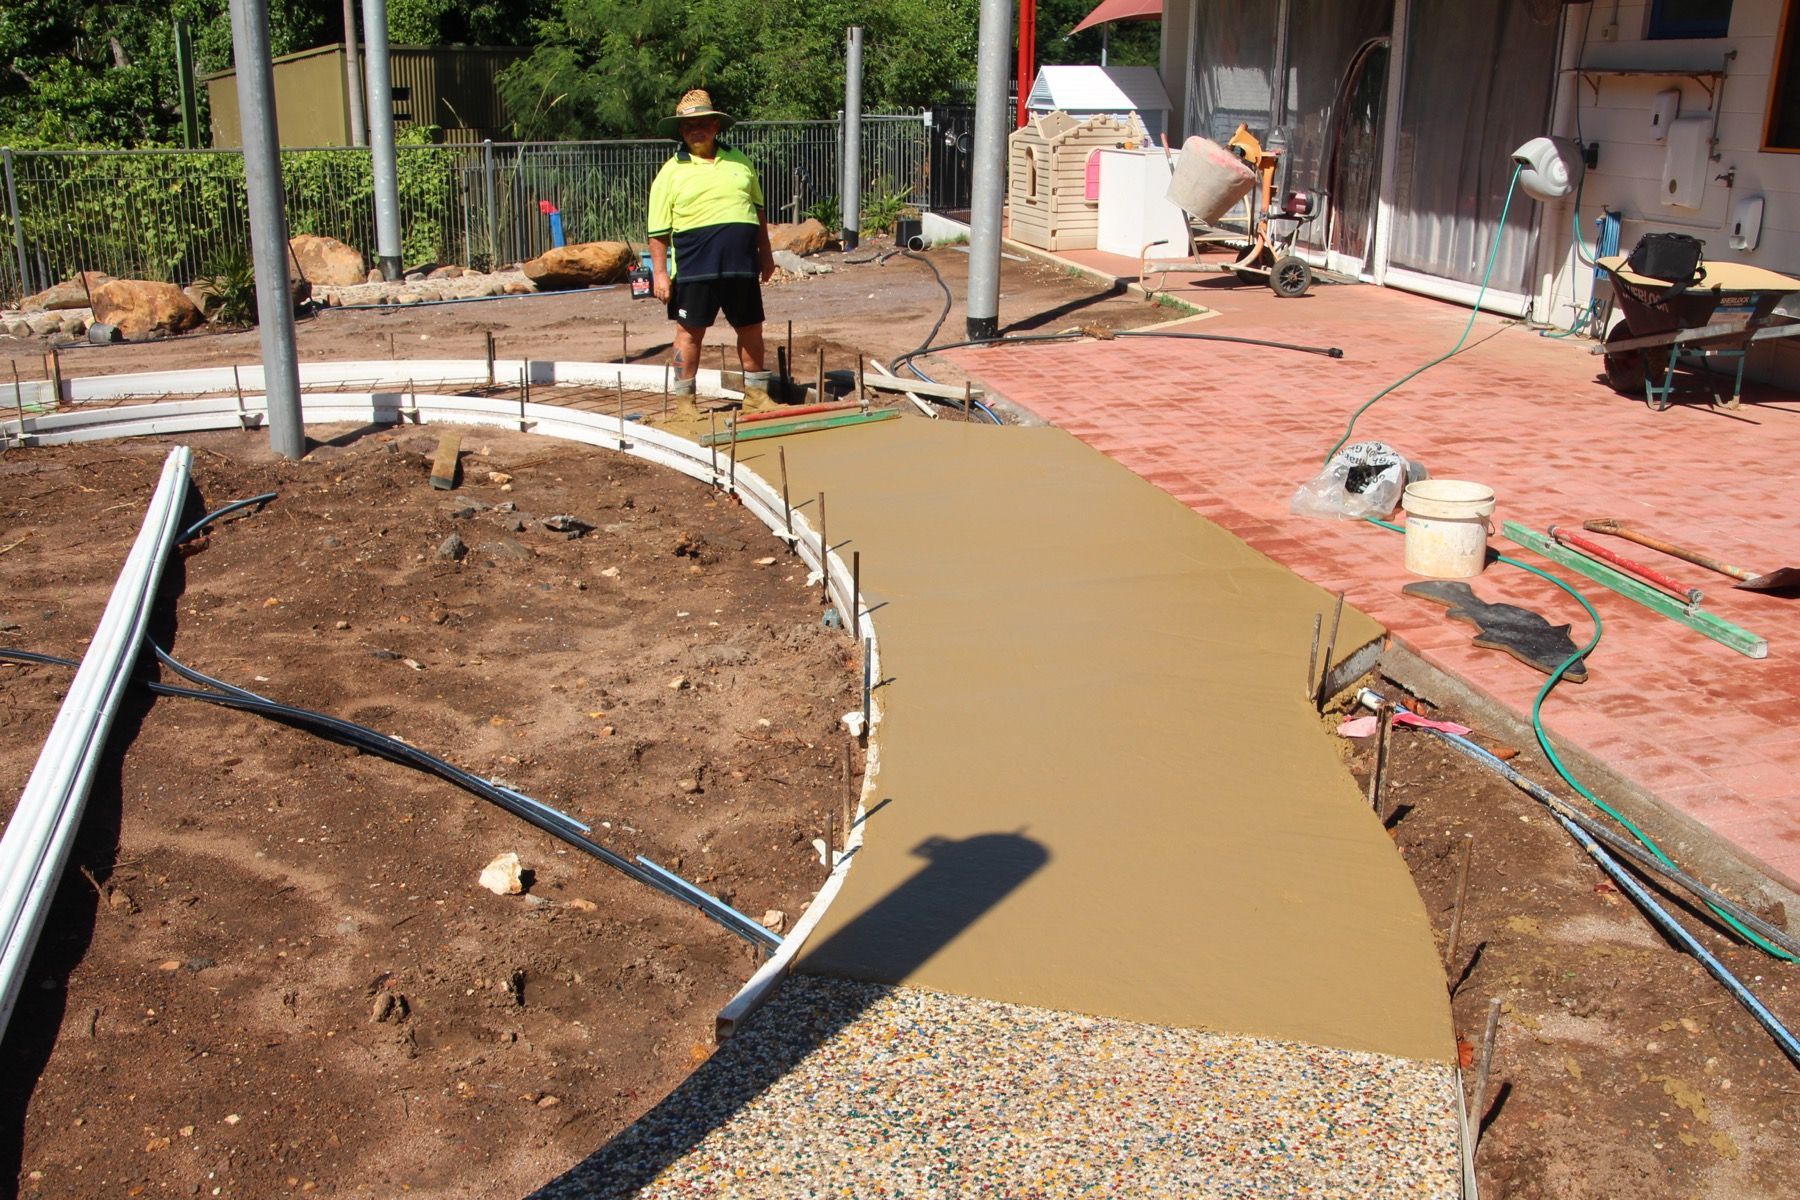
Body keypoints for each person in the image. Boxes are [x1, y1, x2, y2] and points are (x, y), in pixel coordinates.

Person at [647, 90, 777, 404]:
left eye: (703, 123)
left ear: (716, 125)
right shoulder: (670, 172)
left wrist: (766, 255)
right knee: (689, 333)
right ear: (681, 131)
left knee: (750, 328)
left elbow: (758, 212)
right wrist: (660, 274)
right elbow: (658, 232)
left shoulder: (740, 161)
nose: (696, 130)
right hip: (695, 268)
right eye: (689, 125)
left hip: (740, 264)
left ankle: (757, 396)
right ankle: (684, 404)